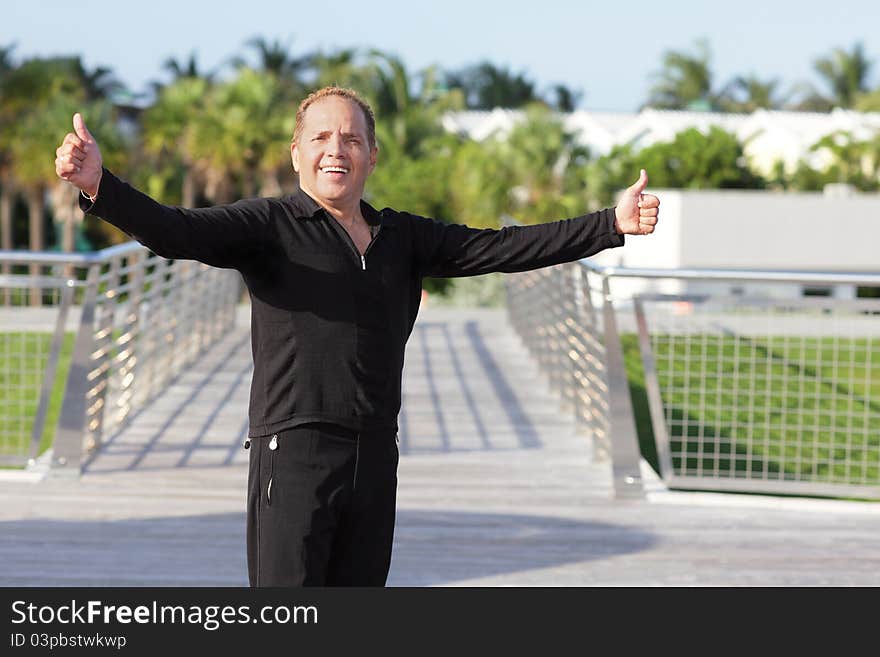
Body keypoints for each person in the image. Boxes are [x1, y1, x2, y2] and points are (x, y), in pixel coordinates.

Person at [55, 86, 659, 587]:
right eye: (319, 137)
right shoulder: (269, 226)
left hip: (375, 452)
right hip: (292, 452)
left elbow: (503, 248)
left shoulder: (404, 237)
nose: (334, 149)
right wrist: (100, 185)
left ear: (371, 156)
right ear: (296, 155)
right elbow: (175, 231)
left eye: (350, 138)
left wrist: (609, 224)